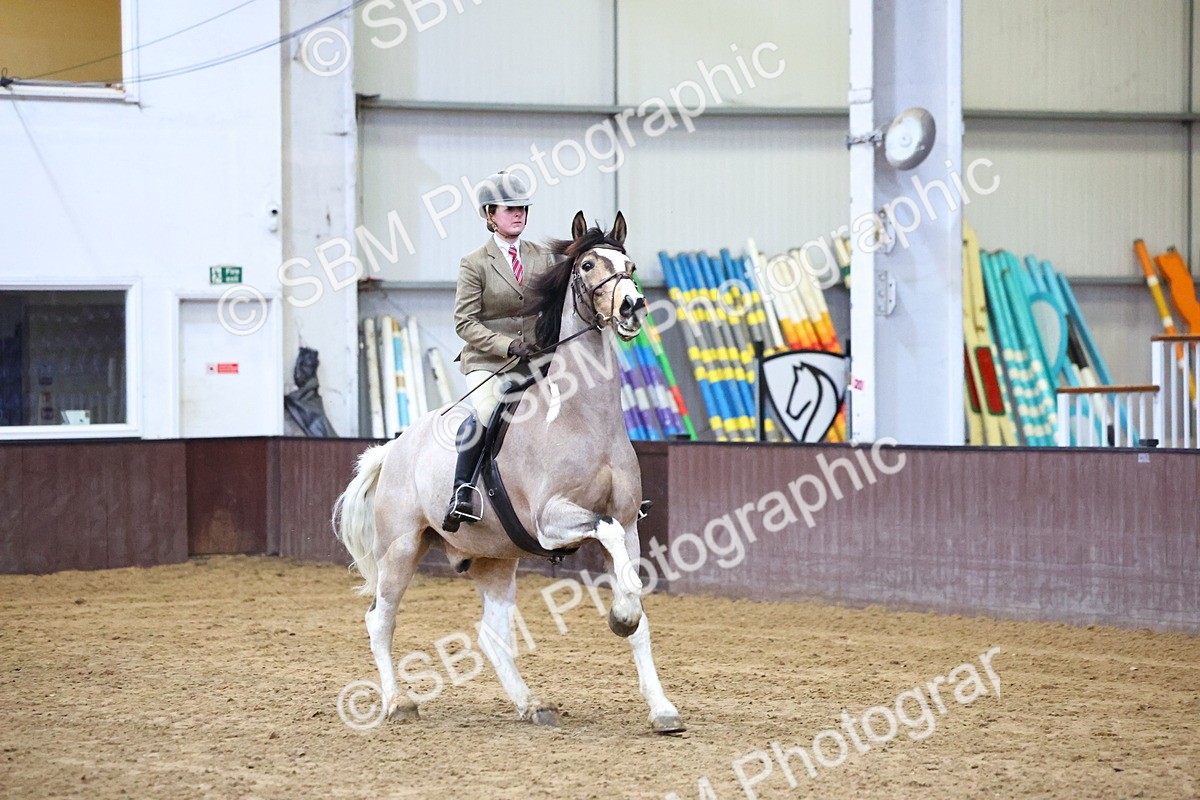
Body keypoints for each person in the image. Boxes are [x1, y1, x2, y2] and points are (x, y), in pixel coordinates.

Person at [443, 170, 554, 531]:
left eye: (523, 208)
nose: (519, 214)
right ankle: (463, 490)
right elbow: (465, 323)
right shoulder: (474, 263)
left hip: (535, 357)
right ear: (490, 214)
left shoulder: (543, 256)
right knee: (490, 412)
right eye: (510, 209)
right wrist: (507, 344)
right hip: (489, 361)